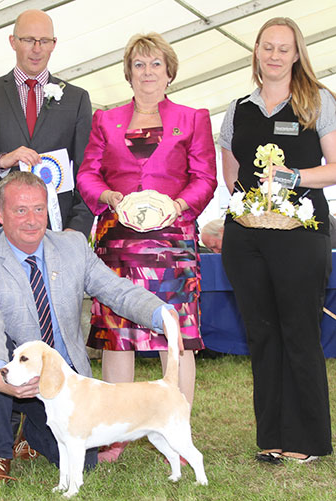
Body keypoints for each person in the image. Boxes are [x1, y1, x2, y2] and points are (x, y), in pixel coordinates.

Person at [0, 171, 180, 482]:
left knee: (85, 464)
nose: (32, 220)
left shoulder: (73, 245)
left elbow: (117, 290)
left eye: (39, 209)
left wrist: (161, 314)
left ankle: (30, 434)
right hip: (12, 364)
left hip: (65, 381)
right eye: (20, 210)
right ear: (0, 213)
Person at [76, 32, 217, 462]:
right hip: (118, 244)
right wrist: (108, 197)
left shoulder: (193, 118)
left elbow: (205, 178)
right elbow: (87, 175)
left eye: (156, 64)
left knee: (175, 335)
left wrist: (178, 205)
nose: (148, 72)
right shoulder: (105, 119)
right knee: (118, 337)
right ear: (128, 73)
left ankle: (177, 430)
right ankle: (116, 437)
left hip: (172, 244)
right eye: (139, 65)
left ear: (170, 72)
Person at [218, 17, 335, 463]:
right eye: (267, 47)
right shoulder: (238, 108)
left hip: (301, 235)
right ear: (257, 52)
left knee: (299, 333)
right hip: (246, 238)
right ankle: (271, 437)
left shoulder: (318, 102)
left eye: (283, 48)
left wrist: (294, 178)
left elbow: (335, 166)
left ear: (297, 54)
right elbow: (230, 171)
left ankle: (307, 441)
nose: (274, 55)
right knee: (262, 335)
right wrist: (251, 204)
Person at [0, 9, 94, 245]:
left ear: (54, 44)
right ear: (13, 42)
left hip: (56, 233)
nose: (37, 48)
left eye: (44, 41)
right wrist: (3, 160)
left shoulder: (77, 98)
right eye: (28, 40)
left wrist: (76, 229)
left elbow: (87, 172)